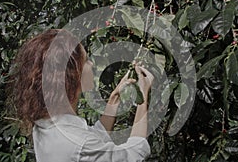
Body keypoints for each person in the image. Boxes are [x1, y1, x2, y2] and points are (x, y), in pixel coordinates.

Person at [9, 29, 154, 162]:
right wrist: (142, 98)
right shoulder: (80, 144)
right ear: (72, 76)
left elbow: (93, 138)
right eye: (86, 61)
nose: (91, 64)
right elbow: (133, 155)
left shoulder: (44, 125)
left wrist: (114, 100)